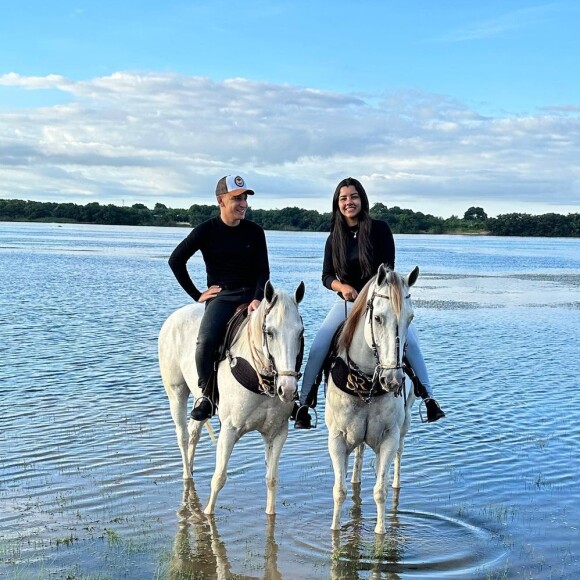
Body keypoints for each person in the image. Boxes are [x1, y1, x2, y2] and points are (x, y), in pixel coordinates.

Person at [294, 177, 445, 429]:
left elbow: (388, 270)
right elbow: (326, 276)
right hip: (348, 302)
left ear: (362, 199)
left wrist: (368, 293)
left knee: (411, 343)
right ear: (337, 204)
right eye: (343, 198)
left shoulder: (380, 230)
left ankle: (428, 398)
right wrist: (341, 287)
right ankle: (304, 404)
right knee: (319, 344)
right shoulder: (334, 238)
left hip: (380, 301)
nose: (348, 202)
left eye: (353, 197)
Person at [168, 174, 270, 421]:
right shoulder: (206, 231)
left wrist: (258, 298)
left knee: (284, 330)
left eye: (245, 198)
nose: (243, 203)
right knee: (205, 340)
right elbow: (176, 260)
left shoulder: (256, 232)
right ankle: (205, 394)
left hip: (253, 294)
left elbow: (263, 271)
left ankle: (289, 395)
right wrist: (197, 295)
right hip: (223, 296)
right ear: (221, 201)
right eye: (237, 198)